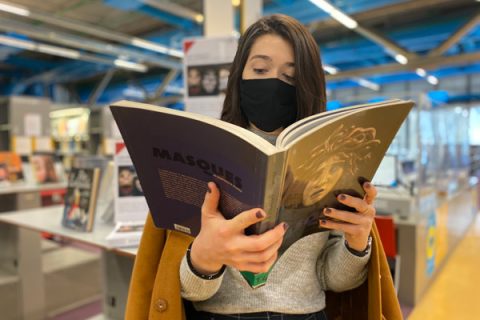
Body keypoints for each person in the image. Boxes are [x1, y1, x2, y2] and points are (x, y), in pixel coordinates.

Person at [125, 14, 402, 320]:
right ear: (239, 76)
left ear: (308, 84)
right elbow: (189, 292)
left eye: (291, 77)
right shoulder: (201, 152)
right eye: (260, 69)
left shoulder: (332, 157)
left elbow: (333, 280)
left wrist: (356, 244)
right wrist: (204, 258)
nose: (274, 82)